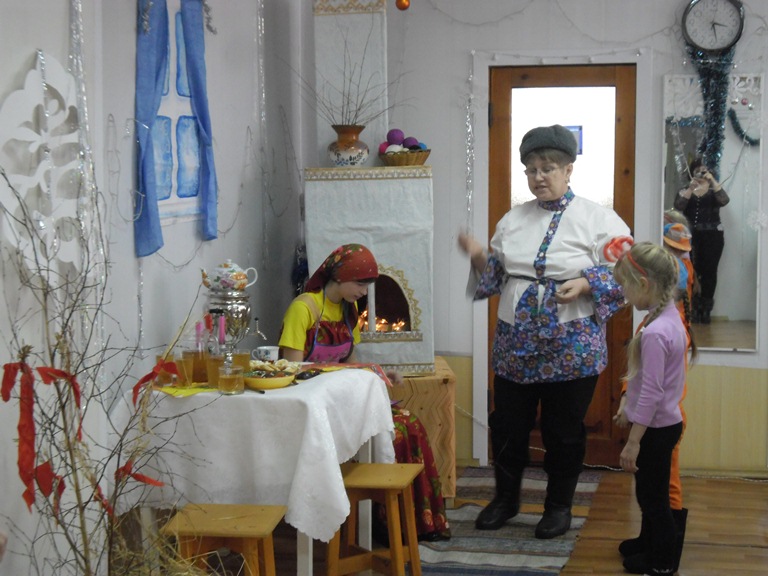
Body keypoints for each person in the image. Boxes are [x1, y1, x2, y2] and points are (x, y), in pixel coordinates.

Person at [458, 124, 630, 539]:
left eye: (548, 168)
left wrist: (586, 283)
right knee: (507, 425)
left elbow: (629, 271)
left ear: (569, 169)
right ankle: (506, 499)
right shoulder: (512, 220)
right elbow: (497, 276)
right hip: (515, 343)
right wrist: (479, 256)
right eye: (531, 169)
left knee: (563, 431)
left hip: (572, 345)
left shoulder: (599, 219)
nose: (538, 177)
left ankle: (558, 507)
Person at [278, 243, 450, 541]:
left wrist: (378, 373)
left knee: (410, 425)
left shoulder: (349, 310)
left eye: (367, 285)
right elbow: (291, 370)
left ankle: (413, 524)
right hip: (313, 406)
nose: (363, 292)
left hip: (341, 401)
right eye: (360, 284)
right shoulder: (303, 309)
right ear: (339, 276)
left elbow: (349, 364)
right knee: (395, 432)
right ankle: (384, 525)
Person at [612, 242, 690, 576]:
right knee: (649, 492)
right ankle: (648, 542)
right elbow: (646, 381)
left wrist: (633, 441)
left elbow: (653, 392)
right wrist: (626, 404)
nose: (624, 294)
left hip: (656, 429)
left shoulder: (656, 332)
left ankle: (661, 561)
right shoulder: (667, 318)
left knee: (653, 498)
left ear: (644, 284)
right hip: (661, 424)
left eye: (626, 286)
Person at [673, 158, 730, 324]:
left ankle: (705, 310)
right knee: (690, 270)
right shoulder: (686, 189)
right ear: (692, 172)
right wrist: (691, 188)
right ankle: (691, 308)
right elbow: (678, 206)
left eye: (704, 170)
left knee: (710, 272)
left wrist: (712, 180)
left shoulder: (714, 191)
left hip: (713, 236)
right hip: (690, 236)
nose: (701, 173)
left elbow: (724, 200)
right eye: (698, 170)